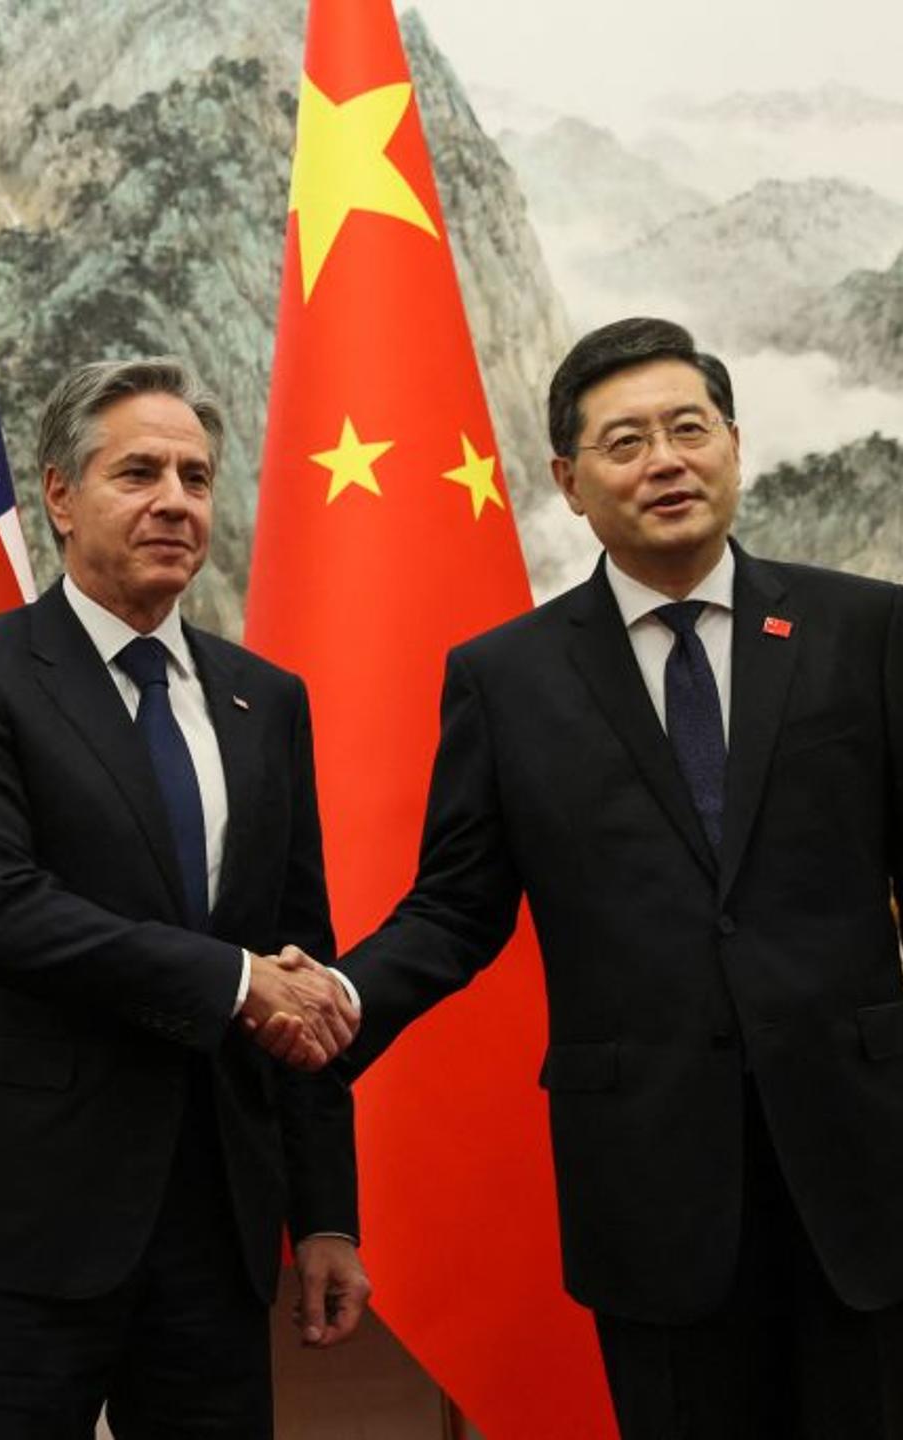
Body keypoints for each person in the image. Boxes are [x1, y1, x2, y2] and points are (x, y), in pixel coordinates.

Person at [327, 317, 903, 1437]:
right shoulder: (507, 678)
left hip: (864, 1156)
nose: (667, 462)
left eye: (690, 429)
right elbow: (456, 909)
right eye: (627, 442)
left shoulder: (864, 628)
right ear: (569, 483)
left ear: (734, 444)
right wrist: (340, 1001)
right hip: (651, 1178)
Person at [0, 357, 370, 1439]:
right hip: (20, 1209)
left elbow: (301, 964)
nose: (175, 501)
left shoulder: (265, 699)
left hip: (217, 1218)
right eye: (139, 473)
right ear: (61, 495)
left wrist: (327, 1214)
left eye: (196, 477)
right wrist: (233, 983)